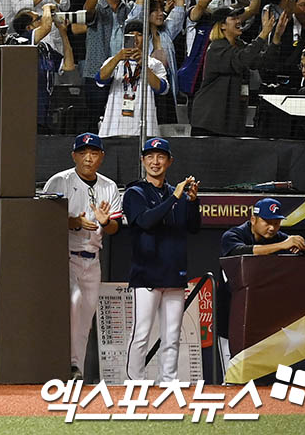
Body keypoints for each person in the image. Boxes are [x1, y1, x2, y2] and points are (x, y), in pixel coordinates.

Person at [41, 133, 122, 380]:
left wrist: (105, 222)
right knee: (73, 306)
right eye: (83, 152)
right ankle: (59, 364)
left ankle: (76, 369)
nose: (88, 158)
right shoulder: (60, 181)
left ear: (101, 157)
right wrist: (74, 221)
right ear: (74, 155)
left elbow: (115, 228)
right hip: (64, 256)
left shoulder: (109, 186)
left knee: (85, 319)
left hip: (92, 259)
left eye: (94, 153)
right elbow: (43, 218)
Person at [122, 137, 201, 384]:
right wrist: (175, 198)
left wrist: (193, 202)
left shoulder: (175, 193)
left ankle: (168, 381)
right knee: (142, 333)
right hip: (147, 273)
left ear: (169, 161)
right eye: (150, 157)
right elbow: (146, 221)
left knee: (172, 335)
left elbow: (194, 228)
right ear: (143, 160)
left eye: (160, 157)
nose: (155, 161)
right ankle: (135, 382)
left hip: (174, 273)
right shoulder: (135, 192)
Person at [217, 197, 305, 370]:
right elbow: (242, 251)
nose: (272, 227)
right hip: (231, 312)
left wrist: (304, 247)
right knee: (231, 371)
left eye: (276, 223)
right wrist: (282, 246)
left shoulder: (278, 237)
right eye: (267, 222)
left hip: (260, 317)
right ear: (253, 219)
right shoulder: (233, 235)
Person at [189, 6, 278, 136]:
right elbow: (243, 59)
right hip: (209, 121)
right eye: (233, 18)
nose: (239, 21)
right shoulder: (216, 48)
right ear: (222, 26)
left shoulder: (239, 45)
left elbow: (263, 62)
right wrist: (262, 34)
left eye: (238, 17)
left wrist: (276, 38)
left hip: (229, 121)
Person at [96, 20, 169, 137]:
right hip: (114, 125)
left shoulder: (154, 63)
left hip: (145, 124)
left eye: (140, 34)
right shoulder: (114, 61)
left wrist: (143, 65)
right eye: (131, 34)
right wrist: (118, 57)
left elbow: (162, 89)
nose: (135, 38)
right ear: (125, 38)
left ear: (146, 39)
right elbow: (100, 79)